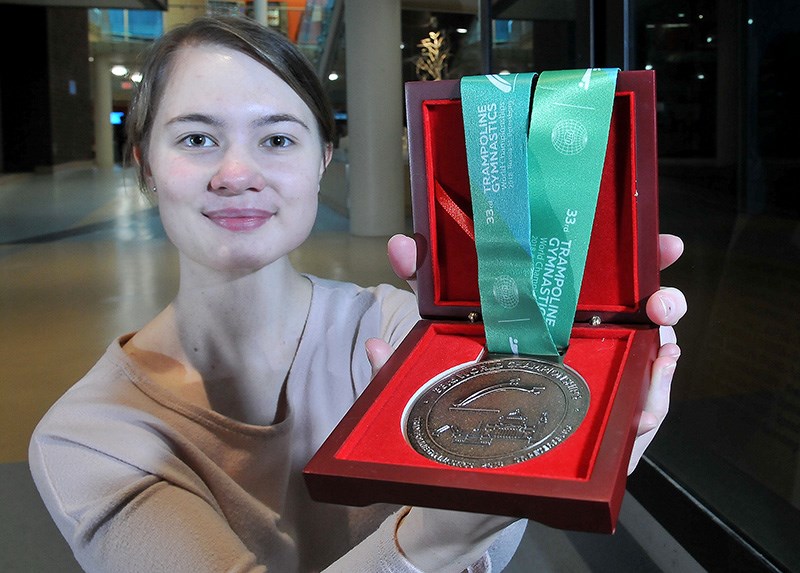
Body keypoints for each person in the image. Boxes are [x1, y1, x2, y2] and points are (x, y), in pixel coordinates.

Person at [28, 15, 687, 573]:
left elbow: (494, 539)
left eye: (278, 138)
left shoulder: (396, 332)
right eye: (197, 138)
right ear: (142, 161)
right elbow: (463, 536)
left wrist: (557, 366)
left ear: (321, 158)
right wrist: (431, 540)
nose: (236, 173)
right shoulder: (89, 436)